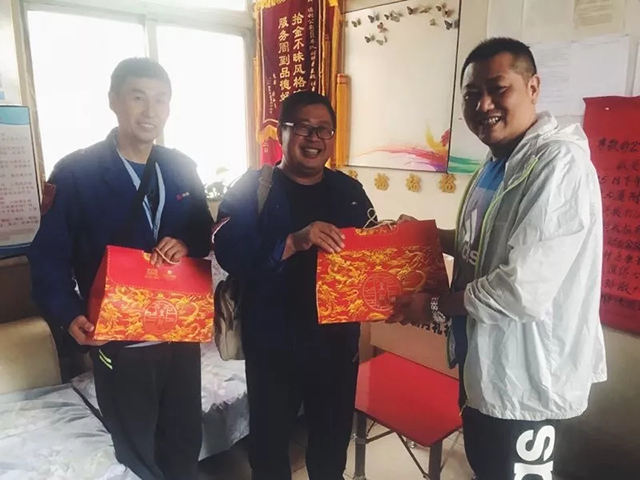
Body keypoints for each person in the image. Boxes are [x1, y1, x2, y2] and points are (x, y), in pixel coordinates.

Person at [390, 38, 607, 480]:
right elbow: (483, 246)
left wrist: (434, 307)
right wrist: (425, 236)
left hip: (529, 384)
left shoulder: (558, 165)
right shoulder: (494, 165)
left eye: (498, 88)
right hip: (485, 371)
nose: (483, 104)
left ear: (533, 87)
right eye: (472, 94)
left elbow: (520, 289)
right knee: (486, 468)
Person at [28, 58, 213, 480]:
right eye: (138, 98)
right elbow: (48, 257)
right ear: (114, 101)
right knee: (135, 446)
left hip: (179, 332)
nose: (150, 111)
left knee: (183, 438)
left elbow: (203, 229)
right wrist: (69, 314)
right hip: (120, 338)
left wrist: (186, 242)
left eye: (161, 100)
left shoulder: (180, 167)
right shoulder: (76, 173)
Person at [214, 90, 375, 480]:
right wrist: (291, 242)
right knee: (269, 449)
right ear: (281, 133)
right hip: (273, 346)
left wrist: (393, 238)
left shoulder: (349, 192)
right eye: (303, 127)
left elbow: (370, 256)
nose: (314, 138)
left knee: (330, 448)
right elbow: (228, 253)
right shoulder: (252, 189)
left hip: (336, 346)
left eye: (324, 129)